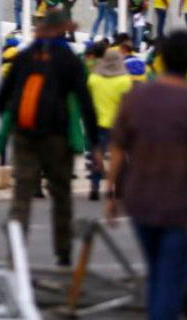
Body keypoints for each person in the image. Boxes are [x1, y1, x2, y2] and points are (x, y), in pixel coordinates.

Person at [0, 7, 100, 267]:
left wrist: (13, 127)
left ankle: (15, 257)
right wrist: (95, 144)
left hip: (24, 135)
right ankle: (63, 252)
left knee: (21, 196)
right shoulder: (69, 59)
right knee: (61, 193)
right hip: (57, 136)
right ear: (63, 28)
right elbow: (85, 103)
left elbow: (1, 98)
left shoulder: (24, 56)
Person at [106, 31, 187, 320]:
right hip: (179, 207)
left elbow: (116, 148)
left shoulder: (136, 97)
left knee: (157, 270)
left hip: (140, 202)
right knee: (170, 277)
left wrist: (110, 195)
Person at [86, 47, 132, 201]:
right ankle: (118, 188)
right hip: (118, 124)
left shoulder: (94, 78)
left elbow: (89, 99)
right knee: (118, 157)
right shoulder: (125, 80)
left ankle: (94, 186)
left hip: (98, 123)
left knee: (96, 155)